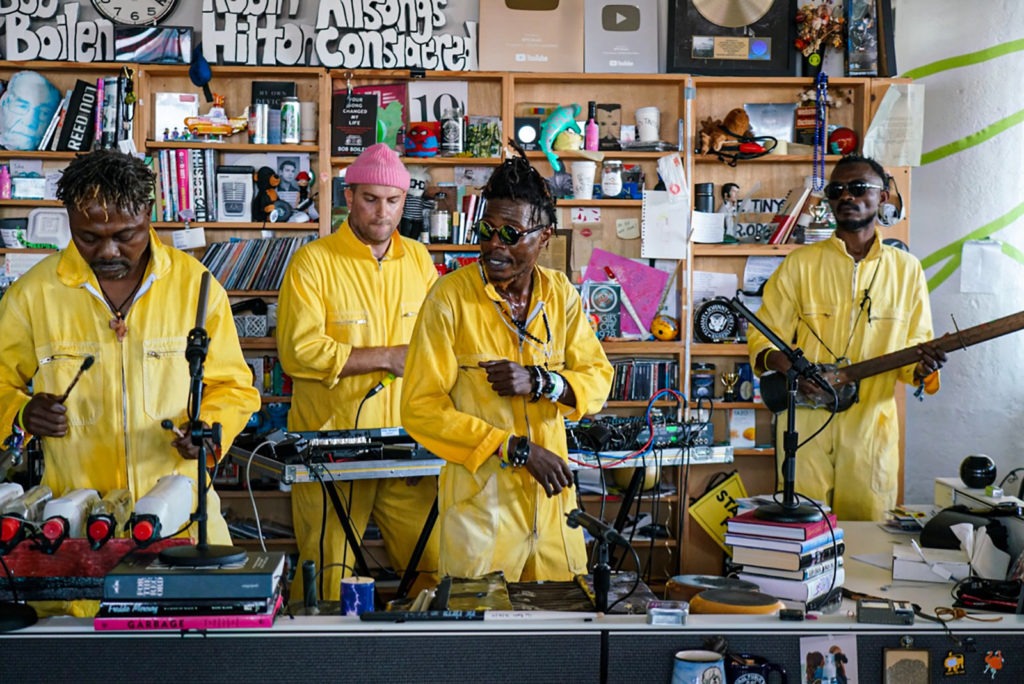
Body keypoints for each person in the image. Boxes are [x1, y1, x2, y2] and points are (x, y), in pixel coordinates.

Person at [0, 150, 260, 562]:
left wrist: (209, 431)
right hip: (74, 526)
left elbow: (234, 387)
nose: (107, 252)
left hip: (183, 522)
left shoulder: (198, 288)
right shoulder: (32, 295)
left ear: (148, 214)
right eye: (88, 237)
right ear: (69, 219)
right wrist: (20, 413)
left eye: (125, 235)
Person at [401, 141, 614, 582]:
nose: (495, 245)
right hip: (483, 519)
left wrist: (543, 383)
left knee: (560, 634)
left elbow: (597, 379)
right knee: (483, 648)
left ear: (544, 237)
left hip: (553, 516)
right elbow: (420, 408)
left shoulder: (561, 296)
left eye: (512, 235)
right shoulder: (448, 299)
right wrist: (513, 447)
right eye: (487, 230)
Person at [276, 143, 439, 601]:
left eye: (393, 201)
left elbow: (436, 346)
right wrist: (388, 356)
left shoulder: (420, 261)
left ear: (405, 202)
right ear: (349, 197)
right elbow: (299, 352)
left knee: (435, 564)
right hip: (331, 449)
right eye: (370, 199)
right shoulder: (313, 262)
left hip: (408, 446)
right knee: (328, 574)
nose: (381, 212)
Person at [746, 155, 946, 521]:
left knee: (868, 540)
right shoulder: (800, 264)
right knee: (801, 539)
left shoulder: (907, 271)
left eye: (858, 188)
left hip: (871, 430)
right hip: (804, 426)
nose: (846, 197)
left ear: (883, 196)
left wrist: (922, 367)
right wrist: (789, 368)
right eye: (836, 190)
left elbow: (914, 355)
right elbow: (764, 334)